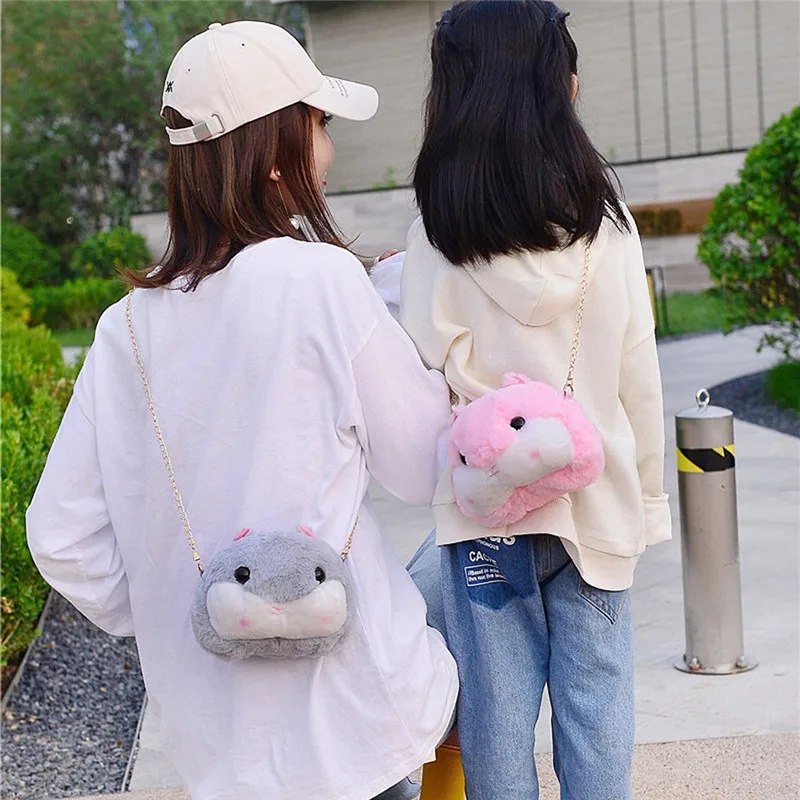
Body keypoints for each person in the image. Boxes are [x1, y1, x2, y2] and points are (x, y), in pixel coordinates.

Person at [26, 21, 457, 800]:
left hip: (216, 739)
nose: (328, 148)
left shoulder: (125, 329)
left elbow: (62, 536)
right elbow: (426, 468)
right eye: (319, 122)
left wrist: (182, 609)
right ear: (277, 148)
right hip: (346, 715)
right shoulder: (322, 281)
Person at [401, 3, 672, 799]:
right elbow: (638, 378)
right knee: (597, 710)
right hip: (597, 500)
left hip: (486, 516)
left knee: (495, 716)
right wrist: (646, 501)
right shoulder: (608, 227)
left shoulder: (435, 235)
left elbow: (422, 376)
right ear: (565, 87)